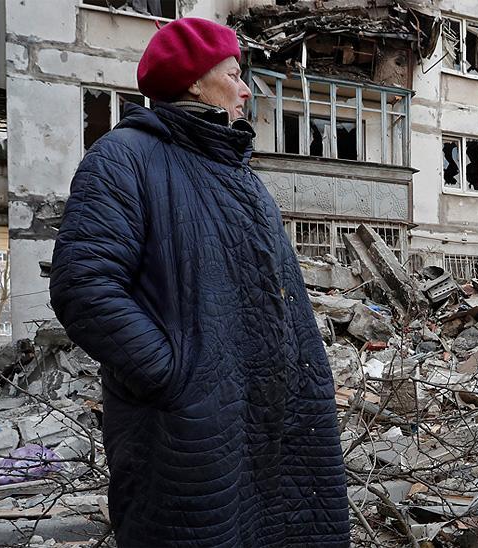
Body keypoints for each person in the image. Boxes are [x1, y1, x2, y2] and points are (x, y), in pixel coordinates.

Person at [49, 18, 349, 547]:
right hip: (191, 426)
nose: (245, 88)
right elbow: (85, 285)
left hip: (273, 419)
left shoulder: (241, 174)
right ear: (193, 82)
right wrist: (177, 376)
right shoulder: (124, 159)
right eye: (234, 74)